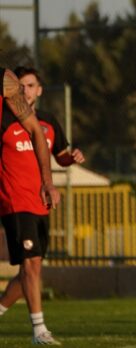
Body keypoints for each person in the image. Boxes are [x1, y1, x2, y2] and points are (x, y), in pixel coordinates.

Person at [0, 67, 66, 345]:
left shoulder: (6, 82)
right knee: (30, 265)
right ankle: (39, 331)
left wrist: (48, 183)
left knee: (32, 266)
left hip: (35, 199)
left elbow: (38, 134)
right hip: (13, 197)